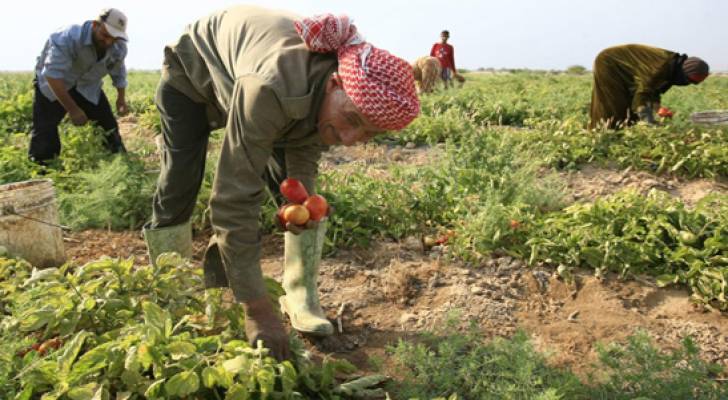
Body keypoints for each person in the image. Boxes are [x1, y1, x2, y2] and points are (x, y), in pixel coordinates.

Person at [143, 6, 419, 361]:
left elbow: (303, 151)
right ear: (335, 83)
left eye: (367, 133)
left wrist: (302, 205)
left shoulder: (328, 96)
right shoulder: (270, 89)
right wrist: (257, 310)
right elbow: (233, 196)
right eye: (351, 120)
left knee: (296, 197)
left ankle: (300, 295)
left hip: (260, 82)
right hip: (193, 75)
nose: (350, 139)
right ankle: (172, 290)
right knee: (180, 178)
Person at [29, 8, 129, 164]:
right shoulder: (67, 37)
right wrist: (73, 110)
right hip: (54, 85)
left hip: (87, 86)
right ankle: (44, 170)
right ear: (96, 25)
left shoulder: (118, 47)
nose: (109, 42)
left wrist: (121, 99)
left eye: (114, 38)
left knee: (109, 127)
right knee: (45, 132)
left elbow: (119, 71)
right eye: (105, 35)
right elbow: (52, 75)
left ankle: (118, 163)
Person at [589, 44, 709, 129]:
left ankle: (625, 130)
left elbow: (655, 91)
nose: (687, 83)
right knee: (614, 104)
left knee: (629, 111)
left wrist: (658, 109)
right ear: (684, 72)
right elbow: (643, 94)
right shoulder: (659, 69)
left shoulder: (672, 68)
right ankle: (602, 133)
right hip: (609, 62)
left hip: (625, 69)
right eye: (688, 80)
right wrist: (650, 121)